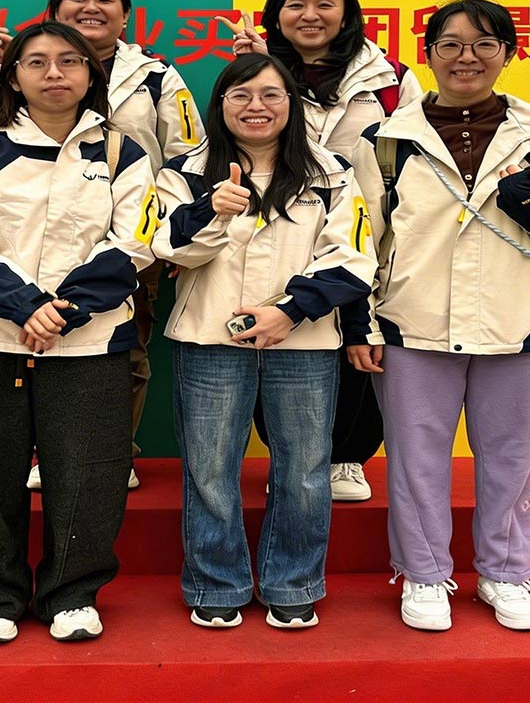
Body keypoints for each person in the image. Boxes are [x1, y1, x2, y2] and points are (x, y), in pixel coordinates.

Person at [349, 0, 530, 633]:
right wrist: (362, 323)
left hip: (519, 322)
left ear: (508, 53)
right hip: (412, 323)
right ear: (428, 53)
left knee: (511, 458)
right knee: (415, 461)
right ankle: (424, 574)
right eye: (451, 44)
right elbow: (359, 240)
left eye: (484, 44)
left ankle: (506, 574)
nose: (466, 57)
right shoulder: (385, 141)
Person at [0, 21, 157, 645]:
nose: (54, 73)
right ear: (13, 76)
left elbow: (135, 240)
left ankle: (72, 593)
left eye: (69, 61)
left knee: (89, 470)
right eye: (36, 62)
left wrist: (63, 310)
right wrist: (24, 306)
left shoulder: (123, 151)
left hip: (89, 338)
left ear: (91, 74)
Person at [0, 0, 203, 488]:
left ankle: (112, 451)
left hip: (127, 236)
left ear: (125, 15)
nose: (91, 8)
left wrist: (171, 230)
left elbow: (189, 153)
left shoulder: (156, 76)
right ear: (54, 11)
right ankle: (44, 454)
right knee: (22, 343)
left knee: (124, 346)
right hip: (18, 240)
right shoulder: (9, 64)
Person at [152, 53, 376, 630]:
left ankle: (292, 582)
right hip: (209, 338)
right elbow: (165, 247)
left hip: (303, 342)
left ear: (291, 105)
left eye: (272, 95)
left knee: (304, 469)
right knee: (209, 469)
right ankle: (216, 582)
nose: (257, 107)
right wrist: (210, 211)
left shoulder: (331, 172)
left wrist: (289, 311)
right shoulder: (184, 172)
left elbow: (355, 257)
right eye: (241, 95)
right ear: (220, 105)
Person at [233, 0, 420, 501]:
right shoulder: (257, 72)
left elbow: (416, 153)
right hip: (280, 228)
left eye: (324, 4)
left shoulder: (389, 78)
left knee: (358, 339)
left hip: (366, 229)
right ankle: (288, 454)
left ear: (347, 14)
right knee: (280, 334)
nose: (309, 15)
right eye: (295, 5)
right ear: (276, 16)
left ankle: (346, 456)